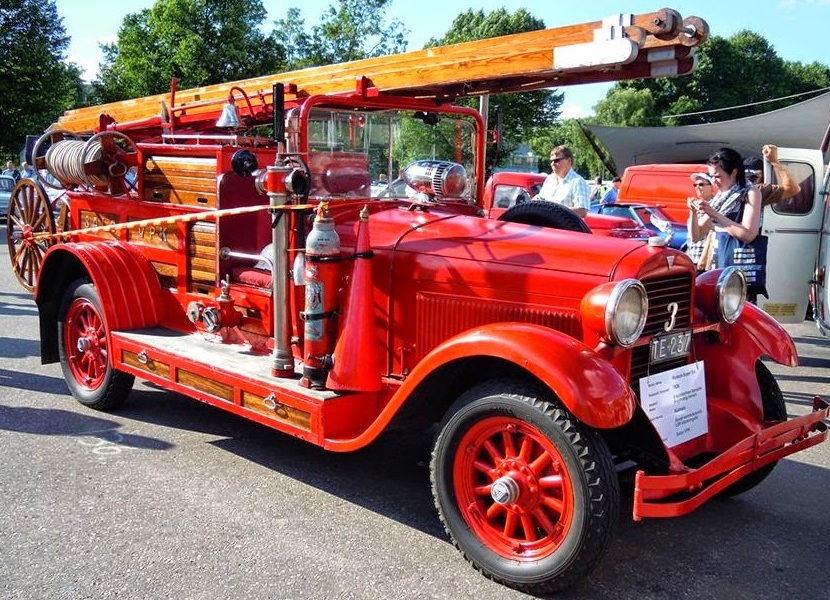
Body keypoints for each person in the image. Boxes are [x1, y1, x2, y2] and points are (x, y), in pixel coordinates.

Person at [690, 147, 764, 302]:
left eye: (718, 176)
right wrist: (693, 213)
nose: (714, 182)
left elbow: (749, 235)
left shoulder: (750, 193)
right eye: (712, 177)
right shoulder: (720, 197)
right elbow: (696, 236)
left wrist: (715, 214)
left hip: (738, 271)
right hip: (717, 266)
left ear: (734, 172)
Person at [534, 145, 591, 217]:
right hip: (546, 223)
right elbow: (541, 198)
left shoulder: (578, 182)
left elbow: (582, 211)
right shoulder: (549, 179)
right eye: (551, 161)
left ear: (569, 161)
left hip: (564, 224)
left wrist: (553, 210)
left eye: (556, 160)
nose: (552, 164)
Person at [685, 172, 716, 272]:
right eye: (695, 185)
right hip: (693, 259)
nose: (697, 187)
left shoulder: (714, 206)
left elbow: (696, 236)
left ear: (711, 187)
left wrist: (692, 211)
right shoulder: (696, 205)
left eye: (701, 184)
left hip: (705, 262)